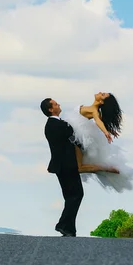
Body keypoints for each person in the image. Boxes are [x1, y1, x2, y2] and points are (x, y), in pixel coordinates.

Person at [60, 92, 133, 193]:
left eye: (103, 94)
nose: (100, 92)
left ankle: (105, 168)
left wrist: (106, 133)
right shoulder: (91, 109)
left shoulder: (94, 111)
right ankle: (103, 168)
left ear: (101, 101)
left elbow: (98, 121)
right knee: (78, 167)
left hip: (78, 138)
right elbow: (100, 121)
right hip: (74, 135)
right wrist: (110, 130)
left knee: (79, 168)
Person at [41, 97, 83, 237]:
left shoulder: (52, 125)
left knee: (71, 196)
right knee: (76, 195)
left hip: (61, 166)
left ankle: (69, 228)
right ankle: (63, 225)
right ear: (50, 109)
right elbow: (74, 138)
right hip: (67, 165)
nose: (59, 104)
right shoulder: (59, 125)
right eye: (55, 103)